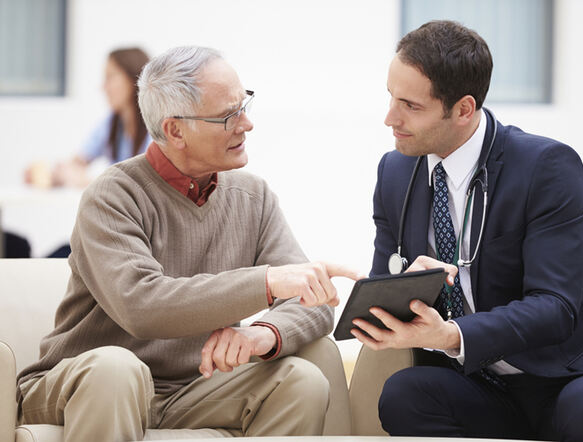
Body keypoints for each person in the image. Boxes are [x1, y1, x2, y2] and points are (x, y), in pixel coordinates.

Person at [16, 46, 362, 442]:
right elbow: (141, 306)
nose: (246, 124)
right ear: (175, 130)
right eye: (228, 115)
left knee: (301, 381)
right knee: (117, 369)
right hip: (85, 382)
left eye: (244, 104)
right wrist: (266, 283)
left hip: (192, 388)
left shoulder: (253, 197)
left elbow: (311, 303)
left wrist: (262, 333)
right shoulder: (112, 195)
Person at [351, 20, 583, 441]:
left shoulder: (546, 167)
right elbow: (384, 289)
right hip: (482, 388)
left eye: (411, 105)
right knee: (404, 396)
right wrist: (398, 292)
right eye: (391, 97)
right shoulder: (395, 172)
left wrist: (452, 334)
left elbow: (555, 307)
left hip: (571, 376)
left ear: (463, 109)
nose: (390, 117)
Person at [25, 47, 151, 189]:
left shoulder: (156, 130)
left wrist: (86, 181)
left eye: (110, 77)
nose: (104, 87)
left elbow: (141, 188)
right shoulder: (111, 124)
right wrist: (51, 175)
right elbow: (77, 163)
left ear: (133, 80)